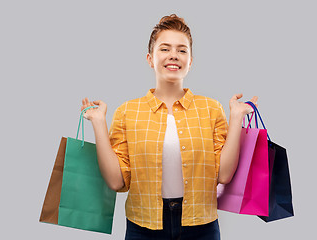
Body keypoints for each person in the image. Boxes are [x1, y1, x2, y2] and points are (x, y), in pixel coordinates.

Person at [80, 14, 258, 240]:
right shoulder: (127, 112)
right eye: (165, 49)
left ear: (190, 61)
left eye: (182, 50)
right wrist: (98, 123)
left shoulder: (211, 109)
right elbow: (117, 181)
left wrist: (236, 118)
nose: (174, 55)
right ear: (150, 58)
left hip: (201, 225)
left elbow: (223, 175)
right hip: (143, 226)